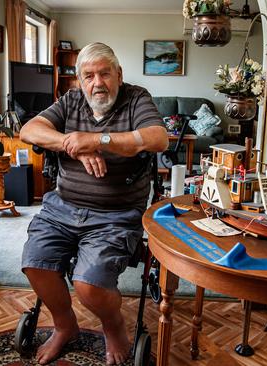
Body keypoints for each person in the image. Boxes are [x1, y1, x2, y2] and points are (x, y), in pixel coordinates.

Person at [19, 42, 169, 365]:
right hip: (62, 208)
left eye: (104, 73)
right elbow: (29, 130)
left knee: (88, 284)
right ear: (79, 80)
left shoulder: (135, 99)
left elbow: (158, 137)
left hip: (116, 214)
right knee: (34, 262)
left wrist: (98, 139)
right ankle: (64, 325)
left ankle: (113, 326)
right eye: (89, 76)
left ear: (119, 74)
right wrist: (72, 144)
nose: (97, 82)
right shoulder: (72, 101)